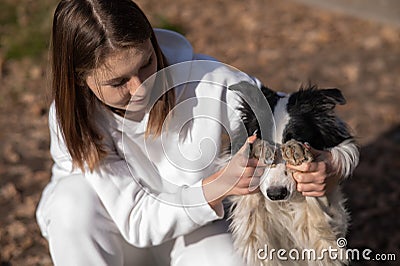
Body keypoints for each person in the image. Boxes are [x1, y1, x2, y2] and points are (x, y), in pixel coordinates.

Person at [36, 0, 358, 265]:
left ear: (153, 41)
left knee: (231, 261)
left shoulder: (211, 81)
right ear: (81, 80)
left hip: (192, 231)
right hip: (112, 240)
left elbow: (281, 112)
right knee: (71, 201)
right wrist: (217, 186)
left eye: (147, 63)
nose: (141, 88)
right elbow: (136, 221)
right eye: (119, 82)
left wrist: (329, 165)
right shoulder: (74, 120)